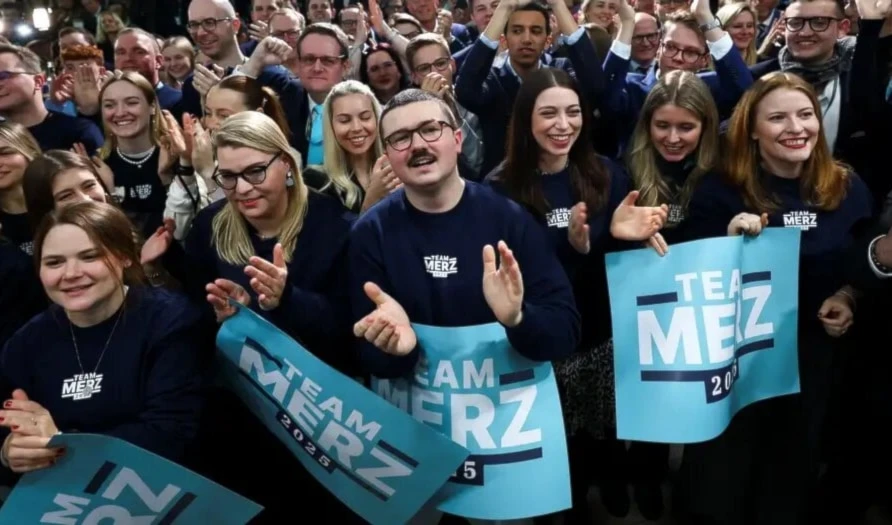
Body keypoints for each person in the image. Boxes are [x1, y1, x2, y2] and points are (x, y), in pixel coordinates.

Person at [678, 71, 873, 525]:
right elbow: (688, 279)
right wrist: (728, 245)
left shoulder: (846, 186)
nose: (796, 128)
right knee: (722, 472)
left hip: (811, 354)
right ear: (751, 129)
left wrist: (847, 296)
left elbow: (860, 266)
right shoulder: (719, 189)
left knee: (789, 468)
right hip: (736, 356)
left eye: (806, 115)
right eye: (779, 118)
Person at [483, 68, 668, 522]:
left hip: (602, 334)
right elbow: (509, 276)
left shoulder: (606, 172)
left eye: (572, 112)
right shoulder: (499, 188)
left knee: (600, 431)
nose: (562, 124)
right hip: (541, 345)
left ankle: (605, 484)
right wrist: (571, 248)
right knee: (554, 444)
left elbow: (619, 260)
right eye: (548, 114)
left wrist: (624, 237)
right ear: (526, 120)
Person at [182, 111, 361, 524]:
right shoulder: (207, 229)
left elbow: (351, 337)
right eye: (227, 176)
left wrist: (287, 300)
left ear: (287, 164)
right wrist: (222, 317)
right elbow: (193, 321)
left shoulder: (336, 227)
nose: (242, 188)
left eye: (256, 171)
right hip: (243, 419)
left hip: (320, 417)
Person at [350, 88, 581, 378]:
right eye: (400, 138)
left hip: (508, 414)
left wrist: (519, 319)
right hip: (413, 415)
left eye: (430, 129)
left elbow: (565, 332)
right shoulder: (370, 234)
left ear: (457, 140)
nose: (417, 145)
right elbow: (363, 353)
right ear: (387, 156)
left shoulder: (511, 220)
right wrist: (397, 350)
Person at [0, 201, 206, 472]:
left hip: (163, 489)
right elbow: (7, 431)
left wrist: (63, 444)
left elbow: (170, 435)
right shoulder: (24, 345)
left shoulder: (171, 322)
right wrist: (10, 451)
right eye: (54, 262)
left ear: (125, 256)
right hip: (64, 495)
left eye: (90, 256)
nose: (71, 274)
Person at [302, 80, 400, 214]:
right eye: (344, 120)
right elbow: (336, 235)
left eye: (365, 117)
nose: (356, 128)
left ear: (377, 119)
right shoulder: (315, 180)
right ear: (330, 126)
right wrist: (371, 200)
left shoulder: (398, 169)